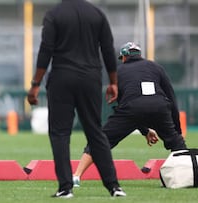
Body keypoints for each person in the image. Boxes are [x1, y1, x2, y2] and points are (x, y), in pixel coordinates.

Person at [27, 0, 126, 198]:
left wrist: (35, 84)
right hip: (91, 77)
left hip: (62, 77)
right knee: (95, 131)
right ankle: (114, 187)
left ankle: (65, 187)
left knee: (60, 133)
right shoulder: (97, 14)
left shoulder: (54, 15)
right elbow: (108, 49)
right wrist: (114, 82)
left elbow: (46, 50)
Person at [72, 42, 187, 187]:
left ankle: (76, 176)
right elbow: (171, 99)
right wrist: (176, 132)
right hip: (159, 107)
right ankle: (188, 173)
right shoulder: (156, 67)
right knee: (177, 143)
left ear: (125, 57)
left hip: (132, 108)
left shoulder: (118, 72)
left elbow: (127, 105)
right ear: (139, 55)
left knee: (100, 141)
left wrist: (145, 130)